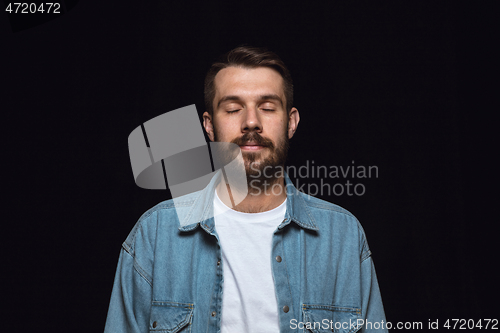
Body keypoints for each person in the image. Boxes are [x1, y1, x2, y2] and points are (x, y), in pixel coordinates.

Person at [104, 46, 388, 332]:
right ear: (209, 125)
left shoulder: (343, 236)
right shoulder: (154, 234)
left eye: (267, 107)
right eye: (233, 109)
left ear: (291, 122)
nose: (251, 122)